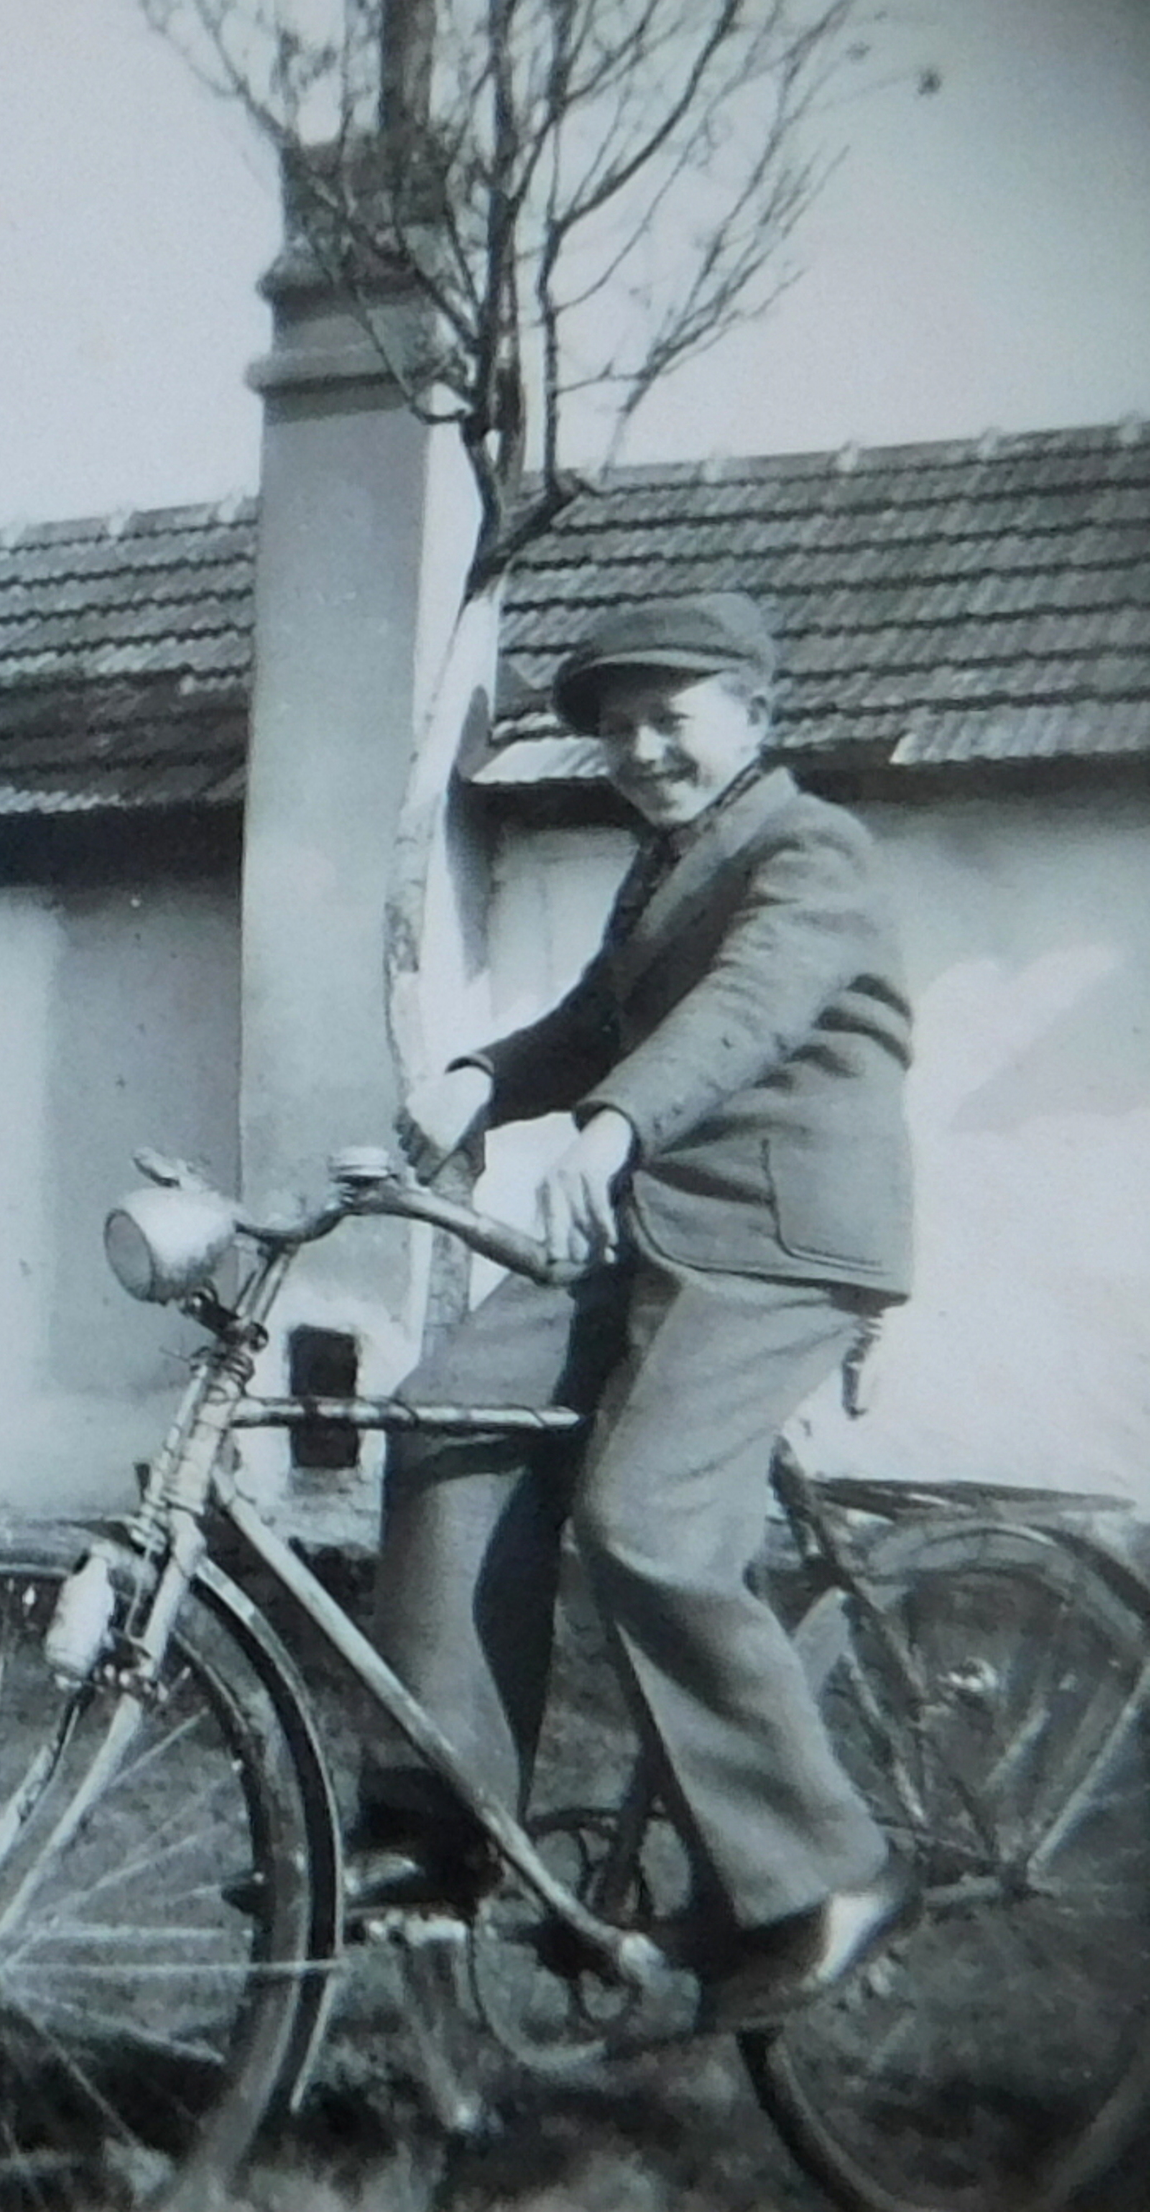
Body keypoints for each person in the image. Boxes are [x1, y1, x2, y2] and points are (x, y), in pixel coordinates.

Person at [368, 588, 918, 2032]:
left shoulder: (811, 848)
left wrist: (608, 1127)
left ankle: (824, 1879)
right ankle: (437, 1819)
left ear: (755, 713)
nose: (639, 751)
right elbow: (596, 1024)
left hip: (775, 1241)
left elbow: (746, 1009)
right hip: (653, 1225)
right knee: (441, 1413)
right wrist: (482, 1079)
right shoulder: (668, 866)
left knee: (648, 1523)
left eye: (669, 718)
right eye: (616, 731)